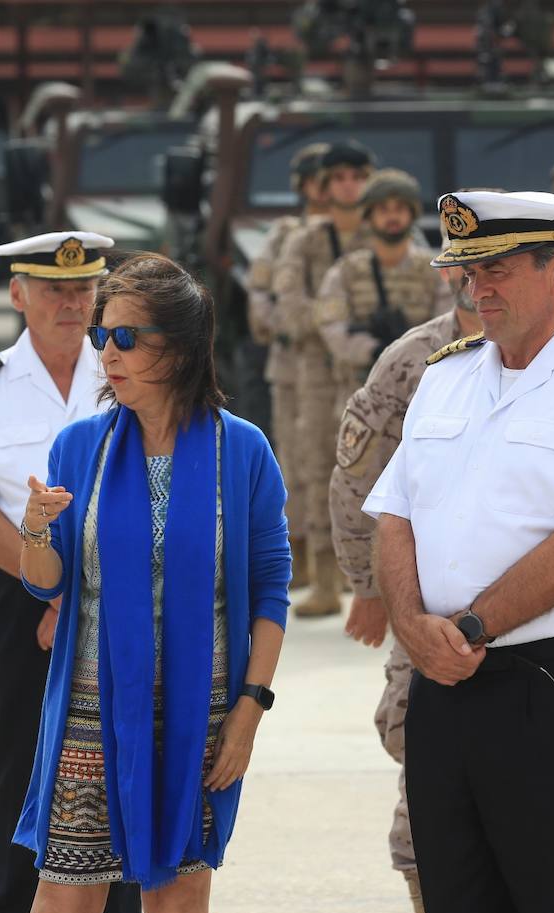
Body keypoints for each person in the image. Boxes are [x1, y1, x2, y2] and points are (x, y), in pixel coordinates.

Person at [367, 190, 554, 913]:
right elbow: (393, 514)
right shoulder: (445, 376)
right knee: (455, 897)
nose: (480, 289)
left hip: (552, 693)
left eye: (498, 269)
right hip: (441, 691)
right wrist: (412, 629)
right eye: (470, 273)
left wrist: (468, 630)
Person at [16, 254, 291, 912]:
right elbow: (44, 580)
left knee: (177, 898)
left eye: (128, 337)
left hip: (202, 709)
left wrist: (249, 711)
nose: (109, 351)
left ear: (182, 348)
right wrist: (33, 531)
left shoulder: (242, 448)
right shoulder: (80, 446)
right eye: (102, 336)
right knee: (65, 896)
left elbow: (272, 586)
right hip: (93, 701)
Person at [0, 231, 140, 913]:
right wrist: (46, 588)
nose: (72, 303)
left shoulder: (128, 372)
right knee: (23, 768)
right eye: (54, 289)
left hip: (124, 595)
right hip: (19, 599)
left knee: (124, 761)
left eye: (83, 289)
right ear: (17, 295)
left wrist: (79, 597)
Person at [327, 258, 481, 913]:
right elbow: (357, 477)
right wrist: (367, 584)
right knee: (417, 752)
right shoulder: (412, 359)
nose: (481, 282)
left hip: (541, 611)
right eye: (469, 267)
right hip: (426, 600)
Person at [272, 139, 376, 618]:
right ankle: (325, 577)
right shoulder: (305, 242)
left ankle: (375, 574)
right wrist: (339, 320)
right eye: (339, 178)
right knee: (316, 465)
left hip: (371, 366)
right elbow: (291, 310)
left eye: (357, 176)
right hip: (315, 369)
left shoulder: (384, 235)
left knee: (378, 464)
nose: (349, 186)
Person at [247, 142, 329, 590]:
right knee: (294, 461)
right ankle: (296, 553)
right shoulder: (285, 233)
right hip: (292, 361)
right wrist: (283, 322)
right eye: (319, 179)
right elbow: (260, 289)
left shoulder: (356, 229)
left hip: (342, 363)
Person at [318, 168, 452, 404]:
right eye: (383, 210)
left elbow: (449, 325)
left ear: (412, 215)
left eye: (400, 209)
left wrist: (408, 354)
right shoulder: (345, 272)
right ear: (369, 216)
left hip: (420, 392)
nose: (392, 217)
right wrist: (373, 350)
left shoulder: (434, 271)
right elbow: (332, 328)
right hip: (360, 395)